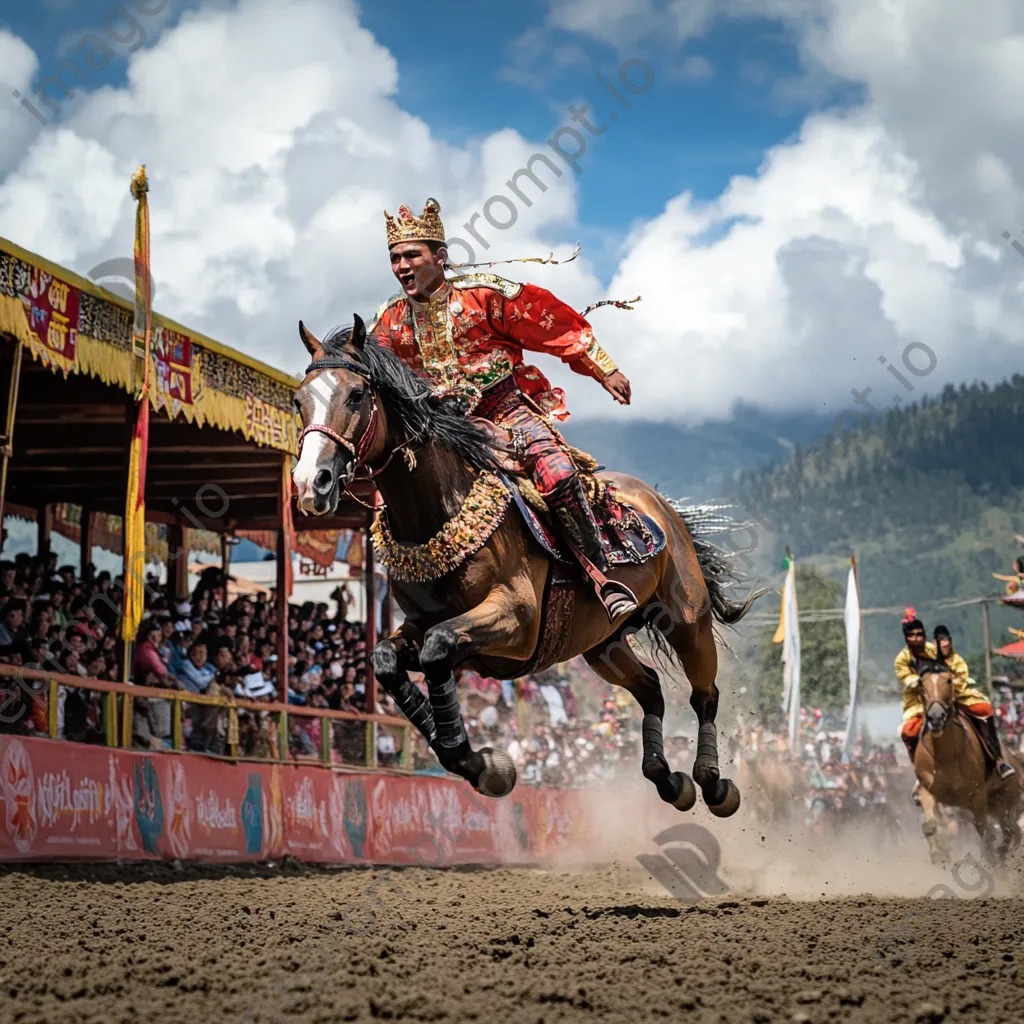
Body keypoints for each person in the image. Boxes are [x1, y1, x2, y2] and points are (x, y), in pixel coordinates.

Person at [368, 197, 637, 618]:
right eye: (395, 258)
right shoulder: (388, 321)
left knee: (559, 475)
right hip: (440, 429)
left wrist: (604, 370)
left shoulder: (484, 295)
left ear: (440, 257)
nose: (401, 265)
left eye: (411, 255)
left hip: (505, 413)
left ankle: (601, 579)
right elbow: (372, 380)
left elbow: (551, 323)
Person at [933, 624, 1014, 780]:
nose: (946, 644)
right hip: (936, 702)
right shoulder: (929, 663)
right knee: (914, 725)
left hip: (960, 697)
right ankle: (921, 775)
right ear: (935, 643)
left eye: (947, 640)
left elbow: (960, 684)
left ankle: (998, 761)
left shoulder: (957, 661)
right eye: (941, 641)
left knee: (985, 709)